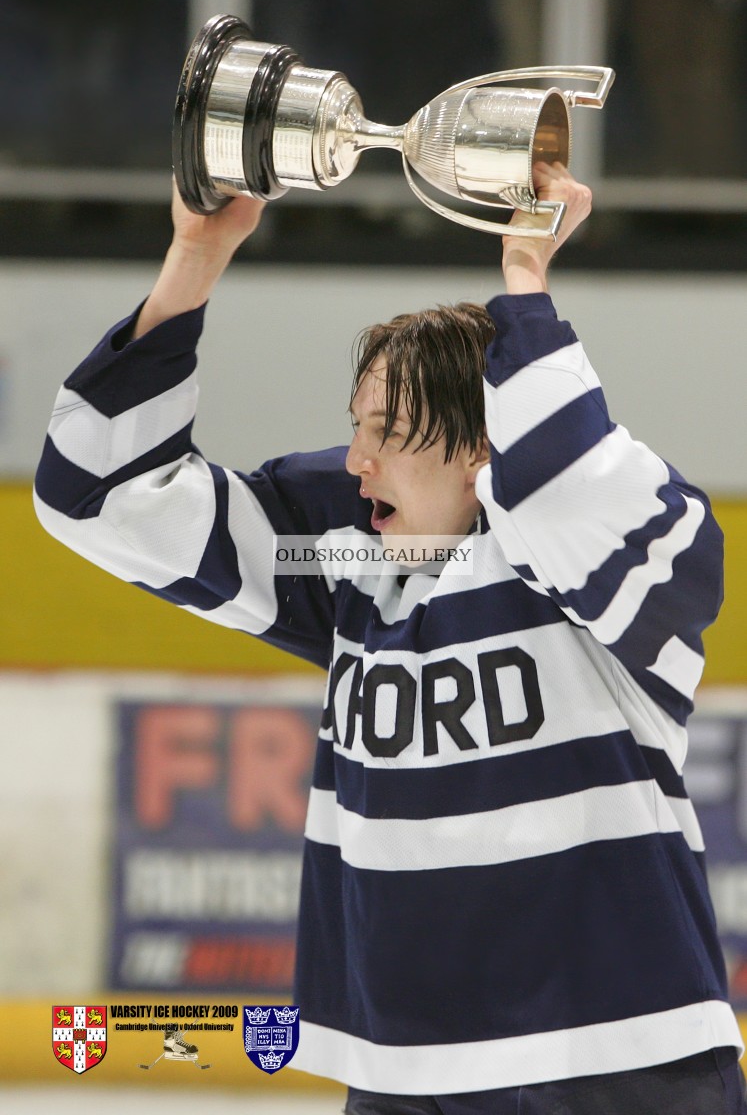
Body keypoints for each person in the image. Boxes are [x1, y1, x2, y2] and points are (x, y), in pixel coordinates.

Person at [34, 163, 747, 1114]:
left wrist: (525, 278)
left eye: (390, 430)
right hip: (401, 1076)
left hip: (618, 1063)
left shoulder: (619, 579)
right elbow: (96, 497)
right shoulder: (345, 570)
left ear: (483, 447)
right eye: (353, 428)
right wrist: (195, 259)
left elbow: (568, 478)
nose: (357, 459)